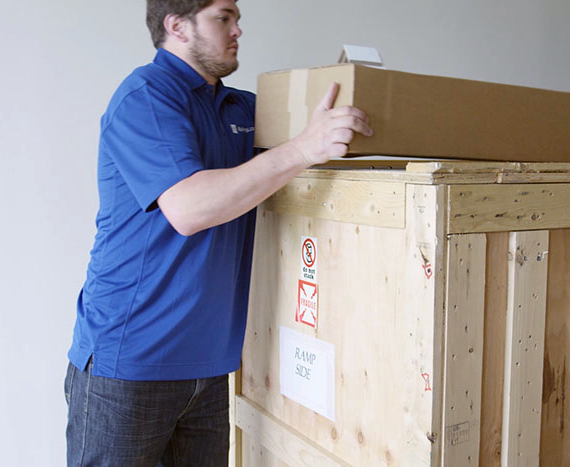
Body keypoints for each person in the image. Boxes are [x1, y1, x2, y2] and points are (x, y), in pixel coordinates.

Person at [64, 0, 372, 465]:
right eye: (223, 18)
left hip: (210, 368)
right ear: (177, 26)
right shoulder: (145, 97)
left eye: (237, 19)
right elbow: (189, 208)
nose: (237, 30)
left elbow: (314, 137)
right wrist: (302, 149)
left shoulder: (242, 108)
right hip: (130, 365)